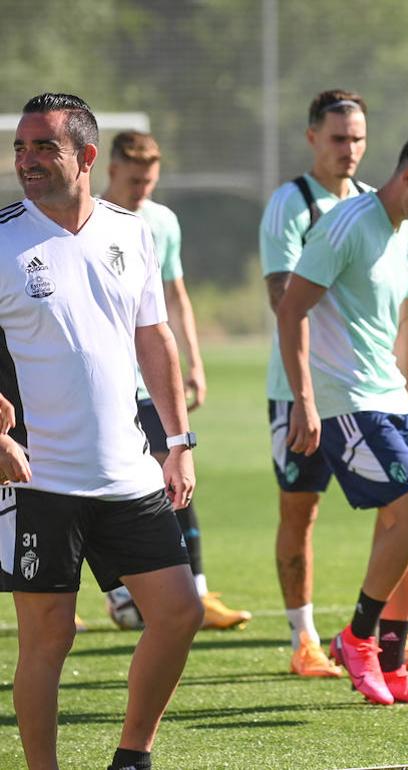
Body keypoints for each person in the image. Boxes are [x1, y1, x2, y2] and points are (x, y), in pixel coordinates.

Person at [2, 92, 203, 770]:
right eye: (21, 147)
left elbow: (155, 337)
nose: (25, 160)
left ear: (86, 157)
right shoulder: (0, 237)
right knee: (48, 638)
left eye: (43, 148)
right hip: (37, 477)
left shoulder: (130, 230)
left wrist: (177, 443)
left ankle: (132, 757)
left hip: (127, 472)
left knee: (179, 612)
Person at [260, 90, 408, 678]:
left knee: (402, 512)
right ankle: (305, 638)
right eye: (339, 138)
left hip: (372, 394)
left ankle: (385, 638)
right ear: (313, 137)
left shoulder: (389, 208)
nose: (350, 150)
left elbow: (402, 322)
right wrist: (304, 397)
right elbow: (283, 301)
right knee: (301, 514)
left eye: (359, 139)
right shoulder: (292, 206)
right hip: (303, 392)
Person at [101, 130, 251, 631]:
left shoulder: (162, 222)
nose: (143, 189)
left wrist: (195, 362)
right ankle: (113, 595)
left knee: (176, 479)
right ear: (112, 171)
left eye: (150, 180)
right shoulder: (87, 221)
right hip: (105, 383)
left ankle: (198, 592)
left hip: (150, 383)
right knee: (102, 488)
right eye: (135, 179)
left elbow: (177, 297)